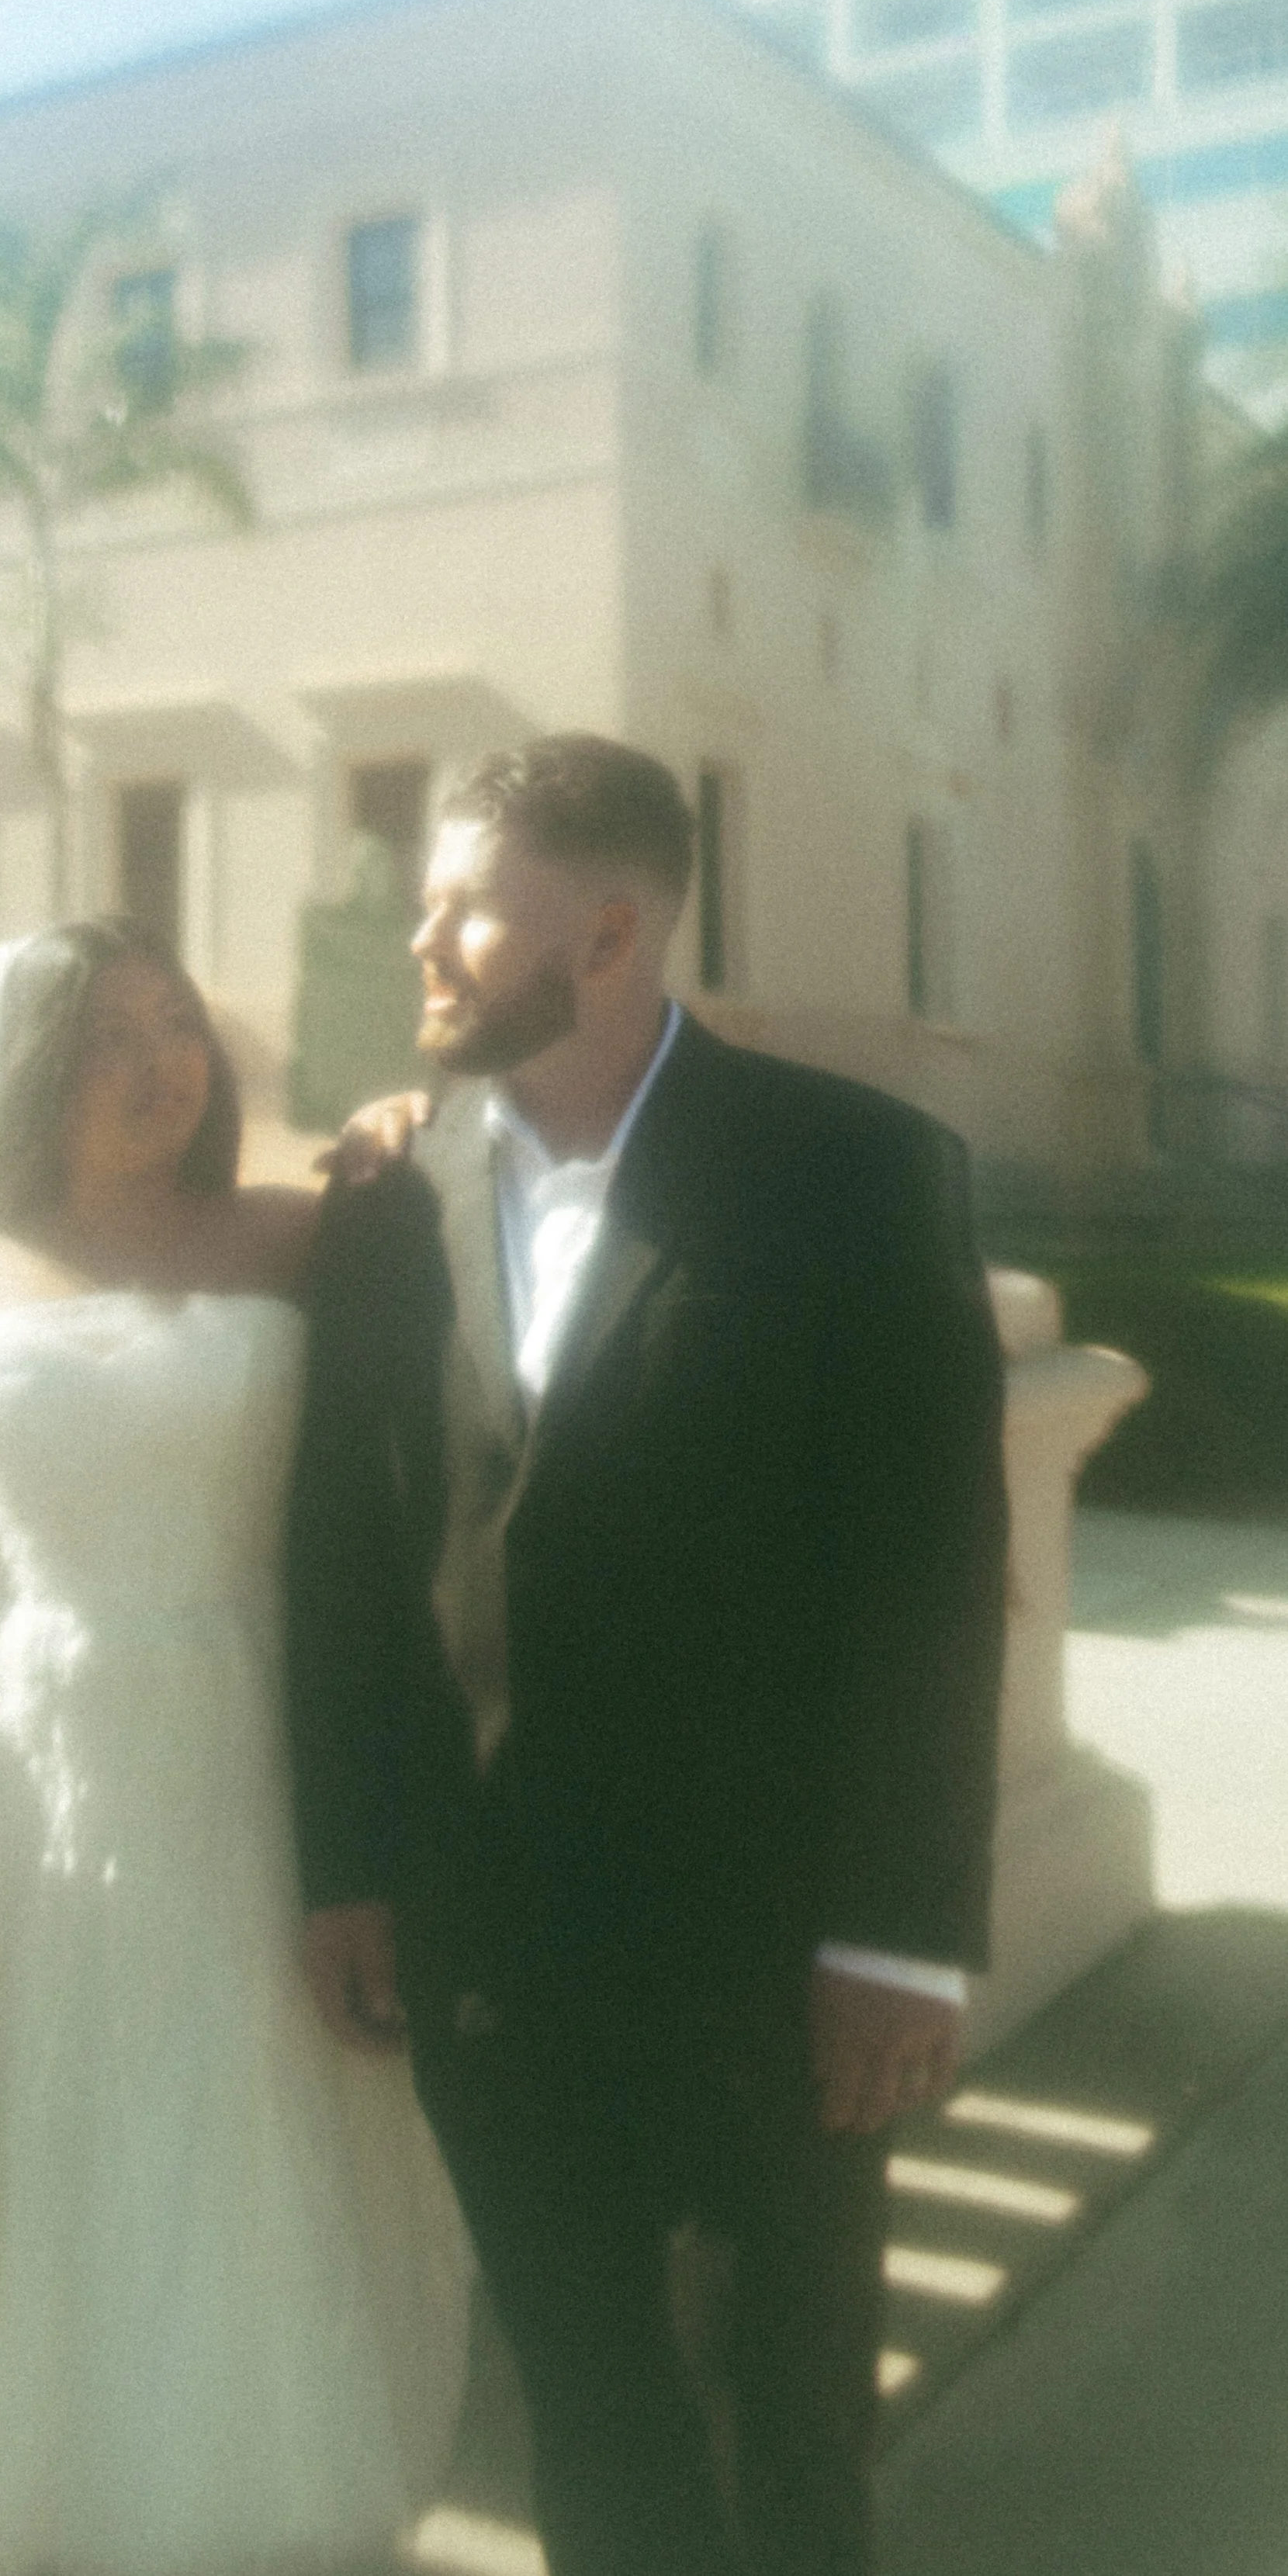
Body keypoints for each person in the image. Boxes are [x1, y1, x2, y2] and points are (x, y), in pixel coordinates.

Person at [286, 736, 1009, 2576]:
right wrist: (352, 1867)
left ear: (605, 933)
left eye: (459, 906)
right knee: (590, 2428)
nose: (420, 942)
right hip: (491, 1950)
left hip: (766, 1958)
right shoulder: (386, 1195)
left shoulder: (856, 1175)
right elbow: (350, 1555)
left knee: (784, 2436)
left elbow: (929, 1577)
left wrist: (893, 1937)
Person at [0, 917, 471, 2574]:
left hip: (252, 1750)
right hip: (30, 1765)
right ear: (28, 1074)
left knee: (242, 2142)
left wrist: (397, 1131)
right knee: (58, 2154)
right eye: (108, 1037)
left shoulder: (300, 1241)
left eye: (179, 1024)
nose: (163, 1064)